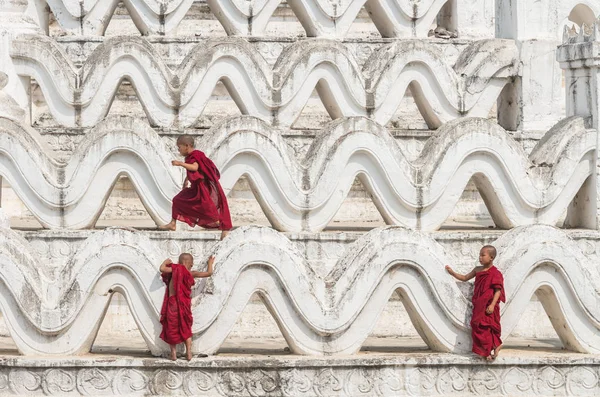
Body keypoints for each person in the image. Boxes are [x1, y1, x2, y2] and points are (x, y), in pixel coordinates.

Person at [159, 135, 232, 240]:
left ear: (187, 146)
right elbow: (194, 170)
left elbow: (195, 167)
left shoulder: (196, 154)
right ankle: (173, 223)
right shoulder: (190, 156)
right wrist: (186, 179)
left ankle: (222, 226)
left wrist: (180, 164)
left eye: (179, 147)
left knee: (208, 209)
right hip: (194, 186)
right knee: (177, 200)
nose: (178, 150)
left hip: (202, 187)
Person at [445, 245, 505, 360]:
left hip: (488, 306)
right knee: (477, 326)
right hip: (479, 304)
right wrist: (452, 273)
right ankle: (493, 347)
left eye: (483, 255)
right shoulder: (477, 270)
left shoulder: (496, 273)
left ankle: (492, 348)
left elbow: (498, 291)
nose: (480, 257)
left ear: (491, 257)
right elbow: (464, 278)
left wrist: (492, 305)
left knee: (488, 327)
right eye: (480, 255)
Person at [159, 253, 214, 361]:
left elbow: (162, 269)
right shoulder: (190, 273)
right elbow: (209, 273)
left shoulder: (174, 269)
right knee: (186, 328)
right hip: (184, 305)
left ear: (179, 262)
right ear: (190, 263)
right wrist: (210, 263)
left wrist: (165, 262)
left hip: (172, 304)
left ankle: (173, 354)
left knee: (171, 328)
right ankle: (188, 352)